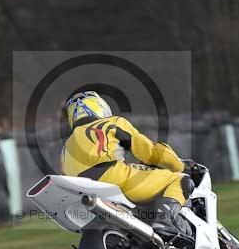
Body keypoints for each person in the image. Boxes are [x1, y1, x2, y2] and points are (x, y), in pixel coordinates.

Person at [61, 91, 194, 235]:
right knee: (179, 180)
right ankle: (164, 221)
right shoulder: (110, 123)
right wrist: (181, 166)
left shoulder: (65, 147)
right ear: (99, 106)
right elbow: (150, 152)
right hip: (115, 178)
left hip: (82, 192)